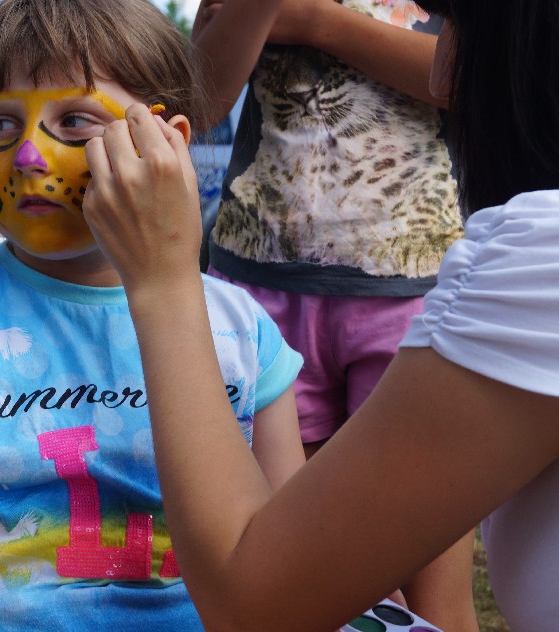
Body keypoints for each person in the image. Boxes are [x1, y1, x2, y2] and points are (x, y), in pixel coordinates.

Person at [81, 0, 559, 630]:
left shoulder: (529, 264)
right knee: (316, 555)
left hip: (408, 278)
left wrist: (313, 22)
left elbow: (254, 601)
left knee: (428, 590)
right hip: (265, 274)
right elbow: (202, 97)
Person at [0, 1, 305, 630]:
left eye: (77, 121)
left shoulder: (245, 335)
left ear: (166, 144)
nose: (28, 155)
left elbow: (293, 569)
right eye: (2, 123)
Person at [190, 0, 475, 627]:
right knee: (299, 572)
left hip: (417, 288)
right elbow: (200, 102)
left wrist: (316, 22)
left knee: (432, 578)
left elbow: (470, 76)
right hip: (258, 295)